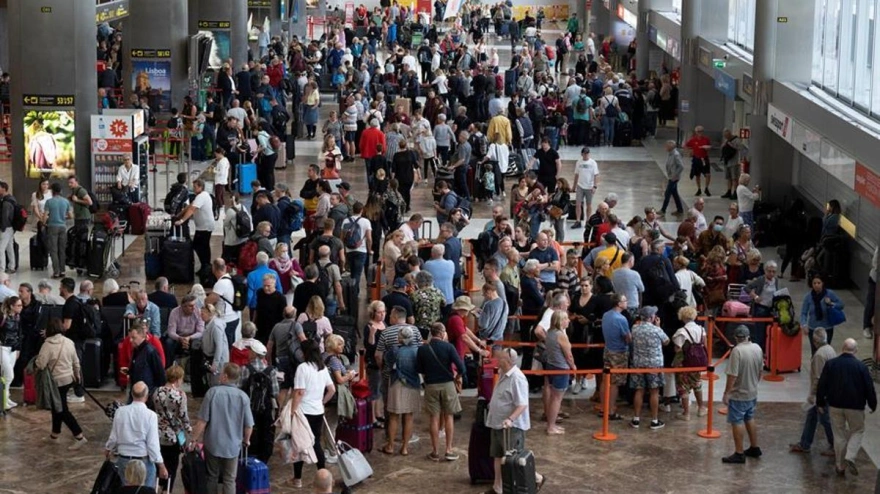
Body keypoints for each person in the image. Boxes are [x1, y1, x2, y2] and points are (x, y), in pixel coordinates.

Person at [484, 346, 546, 494]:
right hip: (497, 423)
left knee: (515, 459)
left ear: (508, 361)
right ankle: (497, 488)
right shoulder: (502, 373)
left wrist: (510, 419)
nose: (497, 361)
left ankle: (537, 478)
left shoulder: (517, 378)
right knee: (498, 456)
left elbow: (522, 404)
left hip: (512, 427)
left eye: (500, 358)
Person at [817, 338, 877, 476]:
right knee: (857, 430)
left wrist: (820, 403)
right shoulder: (861, 367)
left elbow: (822, 384)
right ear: (855, 351)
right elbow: (869, 387)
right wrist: (872, 404)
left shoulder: (831, 364)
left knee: (839, 435)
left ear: (842, 349)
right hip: (855, 406)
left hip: (835, 405)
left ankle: (840, 466)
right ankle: (850, 456)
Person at [191, 363, 255, 493]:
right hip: (233, 445)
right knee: (230, 479)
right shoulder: (243, 397)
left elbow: (202, 421)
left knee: (212, 476)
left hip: (213, 444)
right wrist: (246, 440)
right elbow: (249, 425)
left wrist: (193, 439)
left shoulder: (212, 393)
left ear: (225, 376)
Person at [289, 339, 336, 488]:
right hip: (317, 411)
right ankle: (323, 475)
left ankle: (297, 479)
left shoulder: (303, 368)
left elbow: (299, 392)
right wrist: (321, 401)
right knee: (315, 443)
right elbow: (332, 389)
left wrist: (292, 411)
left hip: (303, 411)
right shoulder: (322, 368)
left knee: (299, 444)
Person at [35, 317, 87, 447]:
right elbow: (76, 361)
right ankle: (55, 434)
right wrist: (77, 375)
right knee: (57, 407)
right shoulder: (69, 342)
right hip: (68, 378)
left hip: (55, 381)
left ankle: (79, 436)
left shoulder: (47, 345)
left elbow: (41, 364)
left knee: (61, 409)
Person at [417, 323, 465, 462]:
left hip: (431, 385)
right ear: (443, 333)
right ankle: (449, 450)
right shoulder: (449, 347)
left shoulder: (423, 349)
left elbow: (419, 369)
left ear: (431, 333)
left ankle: (435, 451)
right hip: (448, 385)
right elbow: (461, 367)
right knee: (449, 416)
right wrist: (457, 377)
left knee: (434, 418)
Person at [105, 382, 168, 487]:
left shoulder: (120, 412)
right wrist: (161, 466)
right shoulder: (151, 415)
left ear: (131, 394)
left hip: (124, 459)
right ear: (147, 396)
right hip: (143, 460)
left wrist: (108, 448)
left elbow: (114, 437)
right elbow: (152, 445)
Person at [789, 328, 836, 456]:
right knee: (812, 417)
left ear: (815, 341)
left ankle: (835, 445)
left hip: (821, 395)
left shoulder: (819, 355)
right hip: (827, 391)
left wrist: (813, 394)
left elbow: (818, 377)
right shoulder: (830, 350)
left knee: (825, 419)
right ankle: (805, 443)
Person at [721, 325, 764, 464]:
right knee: (750, 418)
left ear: (735, 337)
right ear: (748, 336)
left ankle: (739, 453)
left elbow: (732, 375)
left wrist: (727, 393)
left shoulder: (737, 351)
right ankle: (754, 447)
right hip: (752, 392)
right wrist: (754, 383)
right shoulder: (757, 348)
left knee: (737, 421)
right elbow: (760, 370)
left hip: (739, 394)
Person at [380, 325, 421, 455]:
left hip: (396, 383)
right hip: (413, 384)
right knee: (409, 417)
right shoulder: (417, 351)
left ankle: (390, 445)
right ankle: (404, 447)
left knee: (393, 417)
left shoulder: (394, 350)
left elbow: (387, 361)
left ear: (401, 338)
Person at [152, 364, 192, 492]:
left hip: (157, 433)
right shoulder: (180, 395)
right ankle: (167, 490)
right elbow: (183, 415)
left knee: (159, 462)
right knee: (172, 466)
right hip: (173, 436)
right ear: (178, 378)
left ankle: (158, 486)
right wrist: (189, 429)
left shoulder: (157, 391)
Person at [629, 306, 669, 430]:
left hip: (638, 363)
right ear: (652, 317)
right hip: (654, 364)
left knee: (639, 390)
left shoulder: (635, 328)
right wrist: (659, 326)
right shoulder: (656, 330)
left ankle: (636, 419)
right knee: (654, 392)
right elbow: (666, 341)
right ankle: (654, 420)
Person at [239, 341, 278, 463]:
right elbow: (275, 392)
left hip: (249, 408)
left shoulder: (245, 369)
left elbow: (239, 389)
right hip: (265, 408)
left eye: (249, 350)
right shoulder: (271, 371)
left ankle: (249, 456)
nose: (248, 352)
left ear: (254, 354)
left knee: (250, 430)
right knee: (265, 432)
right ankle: (264, 458)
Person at [541, 310, 576, 435]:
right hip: (561, 368)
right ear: (561, 321)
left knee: (553, 397)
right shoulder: (561, 335)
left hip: (551, 366)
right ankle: (551, 426)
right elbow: (568, 355)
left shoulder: (550, 332)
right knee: (557, 399)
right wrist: (573, 367)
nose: (568, 320)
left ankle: (551, 424)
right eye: (566, 318)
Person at [174, 179, 216, 278]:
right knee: (201, 246)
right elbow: (189, 206)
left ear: (201, 187)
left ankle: (206, 266)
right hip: (203, 226)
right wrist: (178, 215)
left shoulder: (202, 196)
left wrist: (181, 221)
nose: (194, 189)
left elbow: (192, 209)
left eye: (195, 187)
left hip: (205, 227)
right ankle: (204, 265)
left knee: (201, 246)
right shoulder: (200, 196)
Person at [672, 307, 708, 420]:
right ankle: (701, 408)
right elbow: (705, 345)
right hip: (697, 362)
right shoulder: (701, 329)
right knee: (697, 383)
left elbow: (678, 349)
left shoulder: (681, 331)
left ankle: (686, 413)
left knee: (683, 387)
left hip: (684, 363)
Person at [601, 294, 631, 421]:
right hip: (619, 352)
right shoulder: (621, 319)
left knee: (605, 379)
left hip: (607, 349)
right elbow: (627, 337)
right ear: (619, 303)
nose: (626, 302)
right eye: (624, 300)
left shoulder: (606, 315)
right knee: (615, 383)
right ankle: (611, 410)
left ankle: (603, 407)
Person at [801, 274, 845, 354]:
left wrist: (831, 303)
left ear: (822, 283)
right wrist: (804, 325)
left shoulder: (829, 294)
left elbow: (841, 304)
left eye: (819, 283)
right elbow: (803, 313)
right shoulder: (808, 297)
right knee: (815, 352)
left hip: (827, 328)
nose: (816, 285)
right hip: (813, 328)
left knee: (826, 351)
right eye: (814, 283)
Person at [125, 320, 167, 397]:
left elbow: (160, 374)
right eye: (130, 337)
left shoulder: (150, 351)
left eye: (133, 338)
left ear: (142, 336)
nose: (131, 340)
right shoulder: (136, 350)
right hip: (136, 392)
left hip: (148, 394)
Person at [208, 259, 242, 347]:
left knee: (225, 345)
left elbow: (209, 301)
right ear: (225, 268)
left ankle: (228, 360)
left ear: (214, 269)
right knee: (230, 342)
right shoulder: (230, 279)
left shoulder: (220, 284)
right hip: (235, 316)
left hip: (227, 319)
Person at [340, 202, 372, 292]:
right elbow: (369, 238)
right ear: (362, 210)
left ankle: (351, 291)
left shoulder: (346, 221)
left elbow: (341, 237)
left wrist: (343, 250)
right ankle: (354, 292)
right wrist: (369, 250)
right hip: (361, 250)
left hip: (349, 250)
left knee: (351, 272)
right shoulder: (366, 221)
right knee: (357, 273)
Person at [44, 182, 72, 278]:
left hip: (52, 227)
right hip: (63, 227)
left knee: (53, 250)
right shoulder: (66, 202)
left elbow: (45, 216)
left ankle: (56, 272)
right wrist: (63, 218)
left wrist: (45, 223)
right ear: (61, 191)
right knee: (62, 250)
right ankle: (63, 271)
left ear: (52, 191)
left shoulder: (49, 202)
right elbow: (71, 216)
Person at [164, 295, 204, 361]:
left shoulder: (198, 312)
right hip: (178, 337)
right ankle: (169, 366)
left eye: (194, 305)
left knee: (197, 344)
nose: (194, 308)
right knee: (169, 342)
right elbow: (171, 332)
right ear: (183, 307)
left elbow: (200, 332)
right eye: (191, 306)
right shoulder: (175, 312)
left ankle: (193, 368)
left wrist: (189, 338)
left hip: (192, 337)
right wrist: (180, 338)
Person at [200, 303, 229, 386]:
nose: (201, 316)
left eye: (203, 314)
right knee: (210, 381)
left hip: (218, 359)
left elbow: (219, 347)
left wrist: (215, 364)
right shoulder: (208, 323)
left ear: (210, 314)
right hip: (210, 356)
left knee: (216, 382)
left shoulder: (216, 326)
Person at [254, 273, 287, 343]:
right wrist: (253, 322)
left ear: (274, 285)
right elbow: (257, 309)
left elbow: (284, 317)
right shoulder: (260, 292)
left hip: (274, 329)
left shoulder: (280, 298)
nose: (266, 288)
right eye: (264, 286)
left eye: (268, 286)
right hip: (261, 327)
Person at [572, 147, 599, 228]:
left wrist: (595, 186)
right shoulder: (579, 162)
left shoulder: (593, 163)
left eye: (587, 153)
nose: (586, 155)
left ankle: (588, 220)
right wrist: (574, 186)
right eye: (584, 154)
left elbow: (596, 175)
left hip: (589, 186)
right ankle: (578, 220)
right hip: (580, 185)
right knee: (578, 204)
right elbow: (576, 174)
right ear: (582, 154)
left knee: (589, 204)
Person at [684, 126, 712, 196]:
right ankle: (699, 189)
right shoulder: (693, 140)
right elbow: (686, 146)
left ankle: (706, 188)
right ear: (696, 132)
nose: (700, 133)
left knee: (708, 174)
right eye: (698, 131)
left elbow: (709, 147)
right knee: (697, 175)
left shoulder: (706, 139)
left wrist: (707, 148)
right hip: (696, 158)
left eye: (701, 131)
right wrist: (690, 152)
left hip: (704, 158)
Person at [660, 140, 684, 216]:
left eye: (667, 146)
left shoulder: (676, 154)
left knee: (667, 193)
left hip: (674, 178)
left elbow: (681, 166)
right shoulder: (670, 154)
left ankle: (663, 210)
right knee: (675, 194)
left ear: (671, 146)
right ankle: (680, 210)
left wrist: (675, 176)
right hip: (671, 177)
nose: (665, 147)